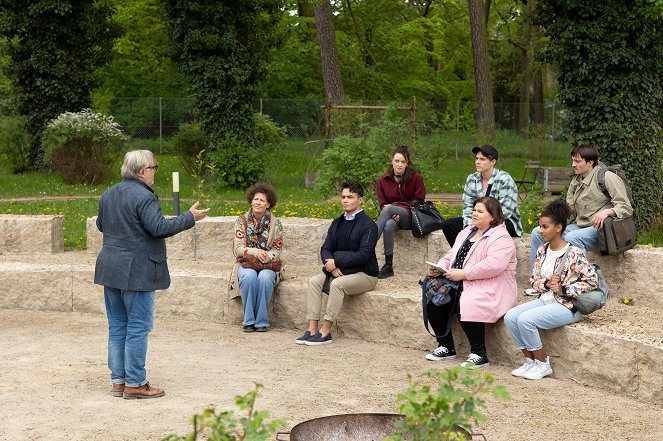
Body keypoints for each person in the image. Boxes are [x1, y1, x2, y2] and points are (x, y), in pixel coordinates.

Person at [94, 150, 210, 399]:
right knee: (137, 327)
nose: (155, 171)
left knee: (117, 327)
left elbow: (101, 225)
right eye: (154, 167)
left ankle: (119, 381)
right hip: (138, 270)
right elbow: (158, 228)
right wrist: (189, 218)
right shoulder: (144, 197)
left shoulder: (108, 194)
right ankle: (135, 383)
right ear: (143, 171)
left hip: (111, 267)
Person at [505, 201, 599, 380]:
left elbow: (592, 281)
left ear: (558, 227)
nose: (541, 230)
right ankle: (530, 362)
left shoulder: (573, 253)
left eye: (545, 227)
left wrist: (565, 288)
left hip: (569, 305)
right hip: (546, 299)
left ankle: (542, 364)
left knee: (526, 320)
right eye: (540, 226)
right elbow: (534, 280)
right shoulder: (542, 250)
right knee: (510, 317)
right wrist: (547, 284)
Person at [424, 196, 517, 368]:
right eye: (474, 210)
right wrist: (440, 266)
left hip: (492, 283)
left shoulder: (501, 237)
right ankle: (446, 346)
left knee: (468, 301)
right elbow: (452, 254)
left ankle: (479, 354)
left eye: (480, 211)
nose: (474, 213)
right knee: (433, 293)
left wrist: (464, 274)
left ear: (493, 216)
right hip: (460, 278)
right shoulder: (468, 231)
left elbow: (494, 266)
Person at [295, 180, 379, 346]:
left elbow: (364, 255)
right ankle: (312, 329)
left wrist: (337, 262)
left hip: (365, 274)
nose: (345, 200)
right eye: (343, 196)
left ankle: (325, 331)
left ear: (360, 200)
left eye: (350, 197)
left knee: (337, 285)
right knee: (313, 282)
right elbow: (326, 248)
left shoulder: (369, 225)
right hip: (339, 271)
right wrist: (331, 266)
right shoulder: (337, 223)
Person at [529, 143, 633, 268]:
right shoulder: (575, 181)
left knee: (572, 237)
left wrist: (607, 212)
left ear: (590, 162)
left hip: (602, 231)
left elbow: (626, 207)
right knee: (537, 232)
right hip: (579, 227)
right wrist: (553, 222)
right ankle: (538, 278)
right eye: (573, 161)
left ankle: (580, 281)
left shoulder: (607, 177)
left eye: (577, 161)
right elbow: (570, 211)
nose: (573, 165)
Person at [440, 145, 522, 247]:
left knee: (488, 231)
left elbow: (505, 212)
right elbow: (468, 206)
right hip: (477, 219)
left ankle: (474, 254)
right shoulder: (472, 179)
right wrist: (470, 225)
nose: (477, 162)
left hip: (502, 221)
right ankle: (463, 254)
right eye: (477, 158)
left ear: (493, 162)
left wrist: (481, 224)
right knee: (448, 225)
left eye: (482, 159)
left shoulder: (505, 180)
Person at [229, 183, 284, 333]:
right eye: (255, 199)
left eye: (262, 200)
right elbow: (238, 249)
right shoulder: (241, 221)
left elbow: (277, 249)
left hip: (268, 264)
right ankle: (249, 320)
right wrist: (255, 252)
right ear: (251, 201)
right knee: (249, 277)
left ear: (268, 204)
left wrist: (268, 255)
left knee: (265, 278)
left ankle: (261, 321)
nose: (258, 202)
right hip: (247, 263)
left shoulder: (276, 223)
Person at [375, 145, 426, 278]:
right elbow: (382, 203)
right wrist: (392, 211)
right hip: (392, 218)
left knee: (390, 208)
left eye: (403, 162)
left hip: (410, 216)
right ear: (392, 161)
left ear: (407, 163)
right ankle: (388, 265)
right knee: (388, 225)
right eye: (397, 161)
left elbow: (419, 201)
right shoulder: (383, 179)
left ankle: (367, 246)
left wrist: (397, 208)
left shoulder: (416, 178)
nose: (399, 165)